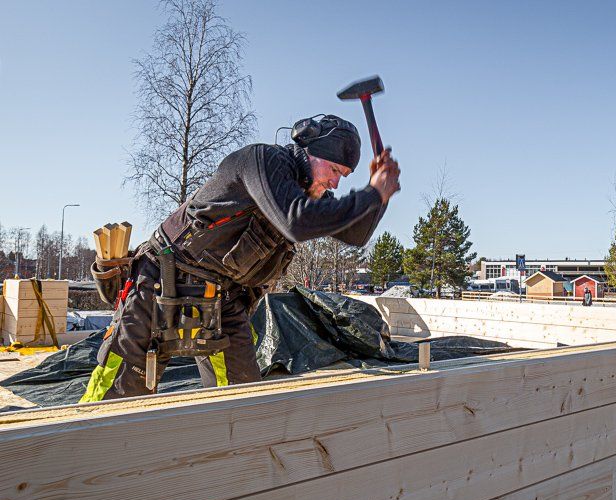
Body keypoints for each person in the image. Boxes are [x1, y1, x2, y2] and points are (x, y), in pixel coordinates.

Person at [81, 115, 400, 402]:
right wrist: (370, 194)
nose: (335, 182)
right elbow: (296, 222)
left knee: (241, 400)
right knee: (117, 394)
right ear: (309, 152)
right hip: (160, 282)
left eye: (343, 176)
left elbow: (355, 234)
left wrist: (379, 197)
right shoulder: (262, 162)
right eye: (333, 170)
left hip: (222, 300)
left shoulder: (301, 193)